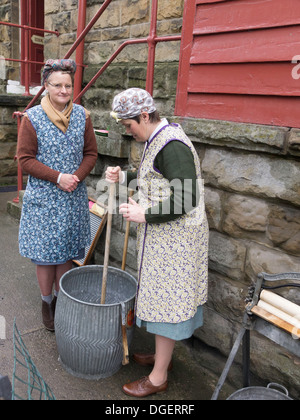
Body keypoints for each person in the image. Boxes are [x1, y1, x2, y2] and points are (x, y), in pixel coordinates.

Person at [106, 88, 209, 398]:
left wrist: (144, 213)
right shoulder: (157, 138)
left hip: (177, 242)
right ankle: (161, 358)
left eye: (128, 125)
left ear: (145, 116)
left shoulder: (172, 146)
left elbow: (187, 197)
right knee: (163, 304)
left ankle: (158, 376)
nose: (128, 131)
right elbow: (155, 179)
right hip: (166, 239)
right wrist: (123, 177)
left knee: (168, 306)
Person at [17, 59, 98, 332]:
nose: (63, 90)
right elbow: (25, 159)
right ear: (46, 86)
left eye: (67, 85)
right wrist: (58, 177)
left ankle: (62, 299)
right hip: (44, 198)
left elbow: (91, 153)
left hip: (72, 195)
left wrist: (77, 175)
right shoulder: (33, 118)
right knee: (45, 256)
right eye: (57, 85)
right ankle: (46, 302)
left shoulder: (82, 116)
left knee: (65, 253)